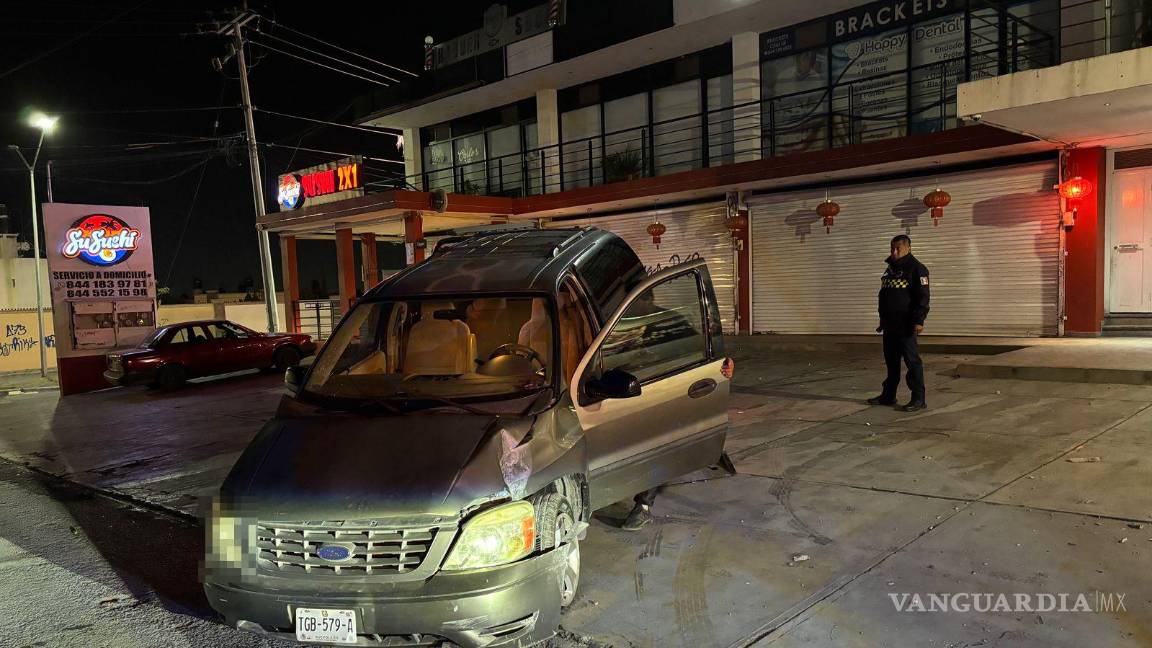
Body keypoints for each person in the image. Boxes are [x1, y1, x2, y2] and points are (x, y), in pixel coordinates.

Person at [869, 234, 930, 412]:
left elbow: (923, 297)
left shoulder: (917, 269)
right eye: (892, 248)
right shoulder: (890, 269)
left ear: (908, 248)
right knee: (891, 362)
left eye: (898, 248)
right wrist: (882, 318)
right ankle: (888, 395)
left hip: (906, 324)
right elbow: (884, 295)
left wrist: (919, 321)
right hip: (890, 324)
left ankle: (919, 399)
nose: (894, 252)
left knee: (912, 362)